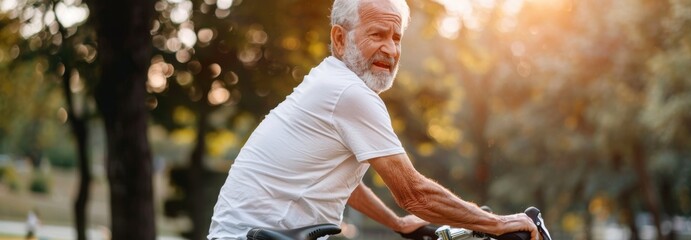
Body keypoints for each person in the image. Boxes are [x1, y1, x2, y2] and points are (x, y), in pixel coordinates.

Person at [207, 0, 540, 239]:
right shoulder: (348, 93)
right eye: (377, 35)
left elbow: (340, 185)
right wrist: (497, 224)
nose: (391, 50)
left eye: (396, 38)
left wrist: (396, 222)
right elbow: (415, 194)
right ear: (340, 39)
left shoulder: (329, 84)